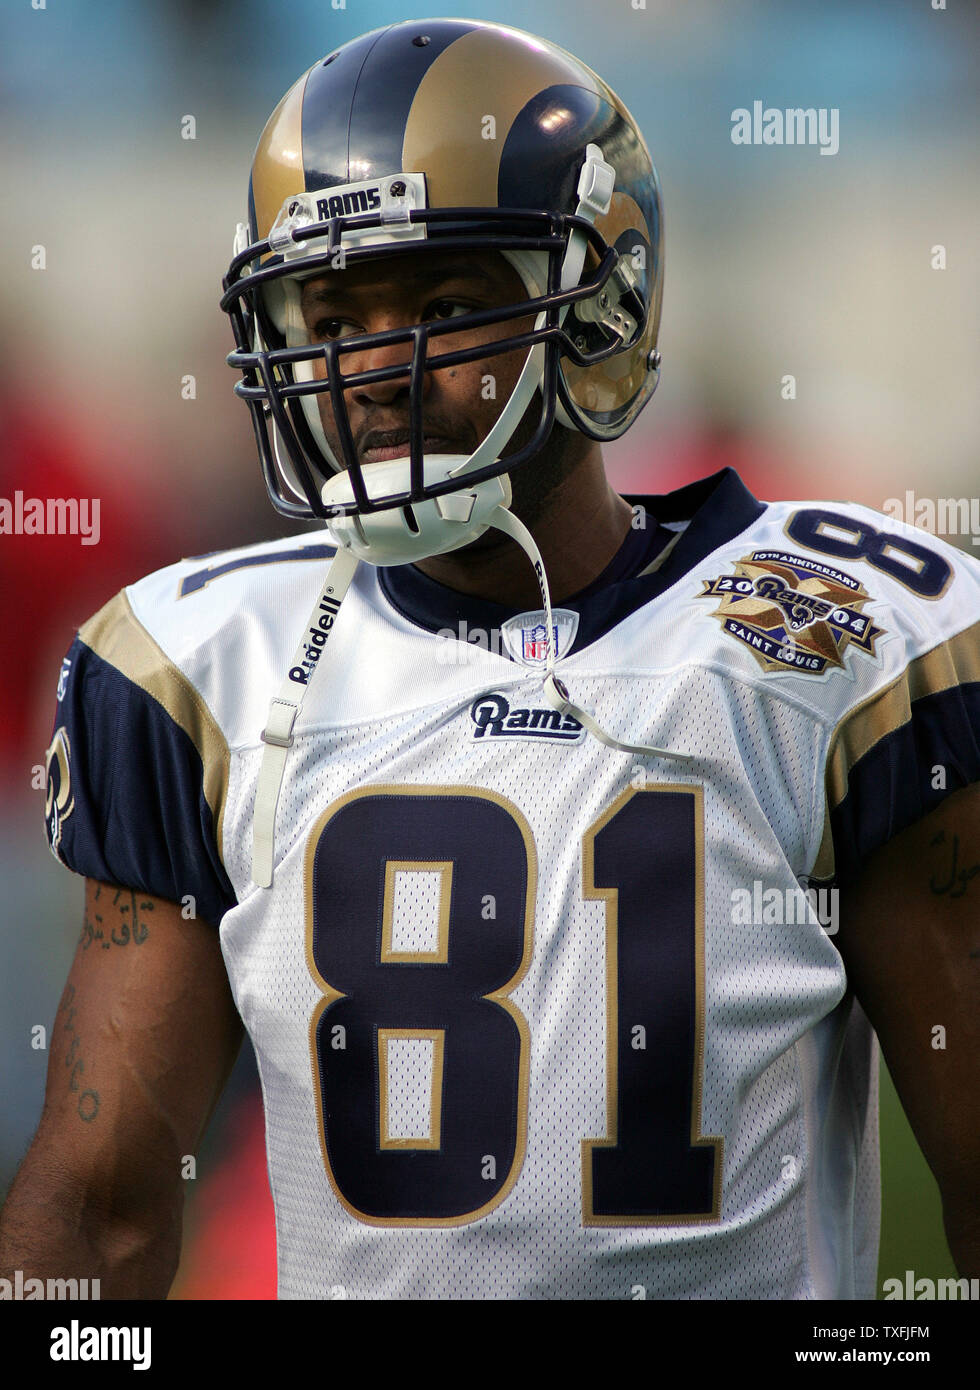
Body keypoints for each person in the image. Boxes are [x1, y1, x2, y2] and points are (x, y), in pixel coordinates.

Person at [2, 18, 978, 1301]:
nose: (376, 369)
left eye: (448, 307)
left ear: (603, 308)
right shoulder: (202, 669)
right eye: (334, 314)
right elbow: (101, 1224)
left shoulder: (839, 640)